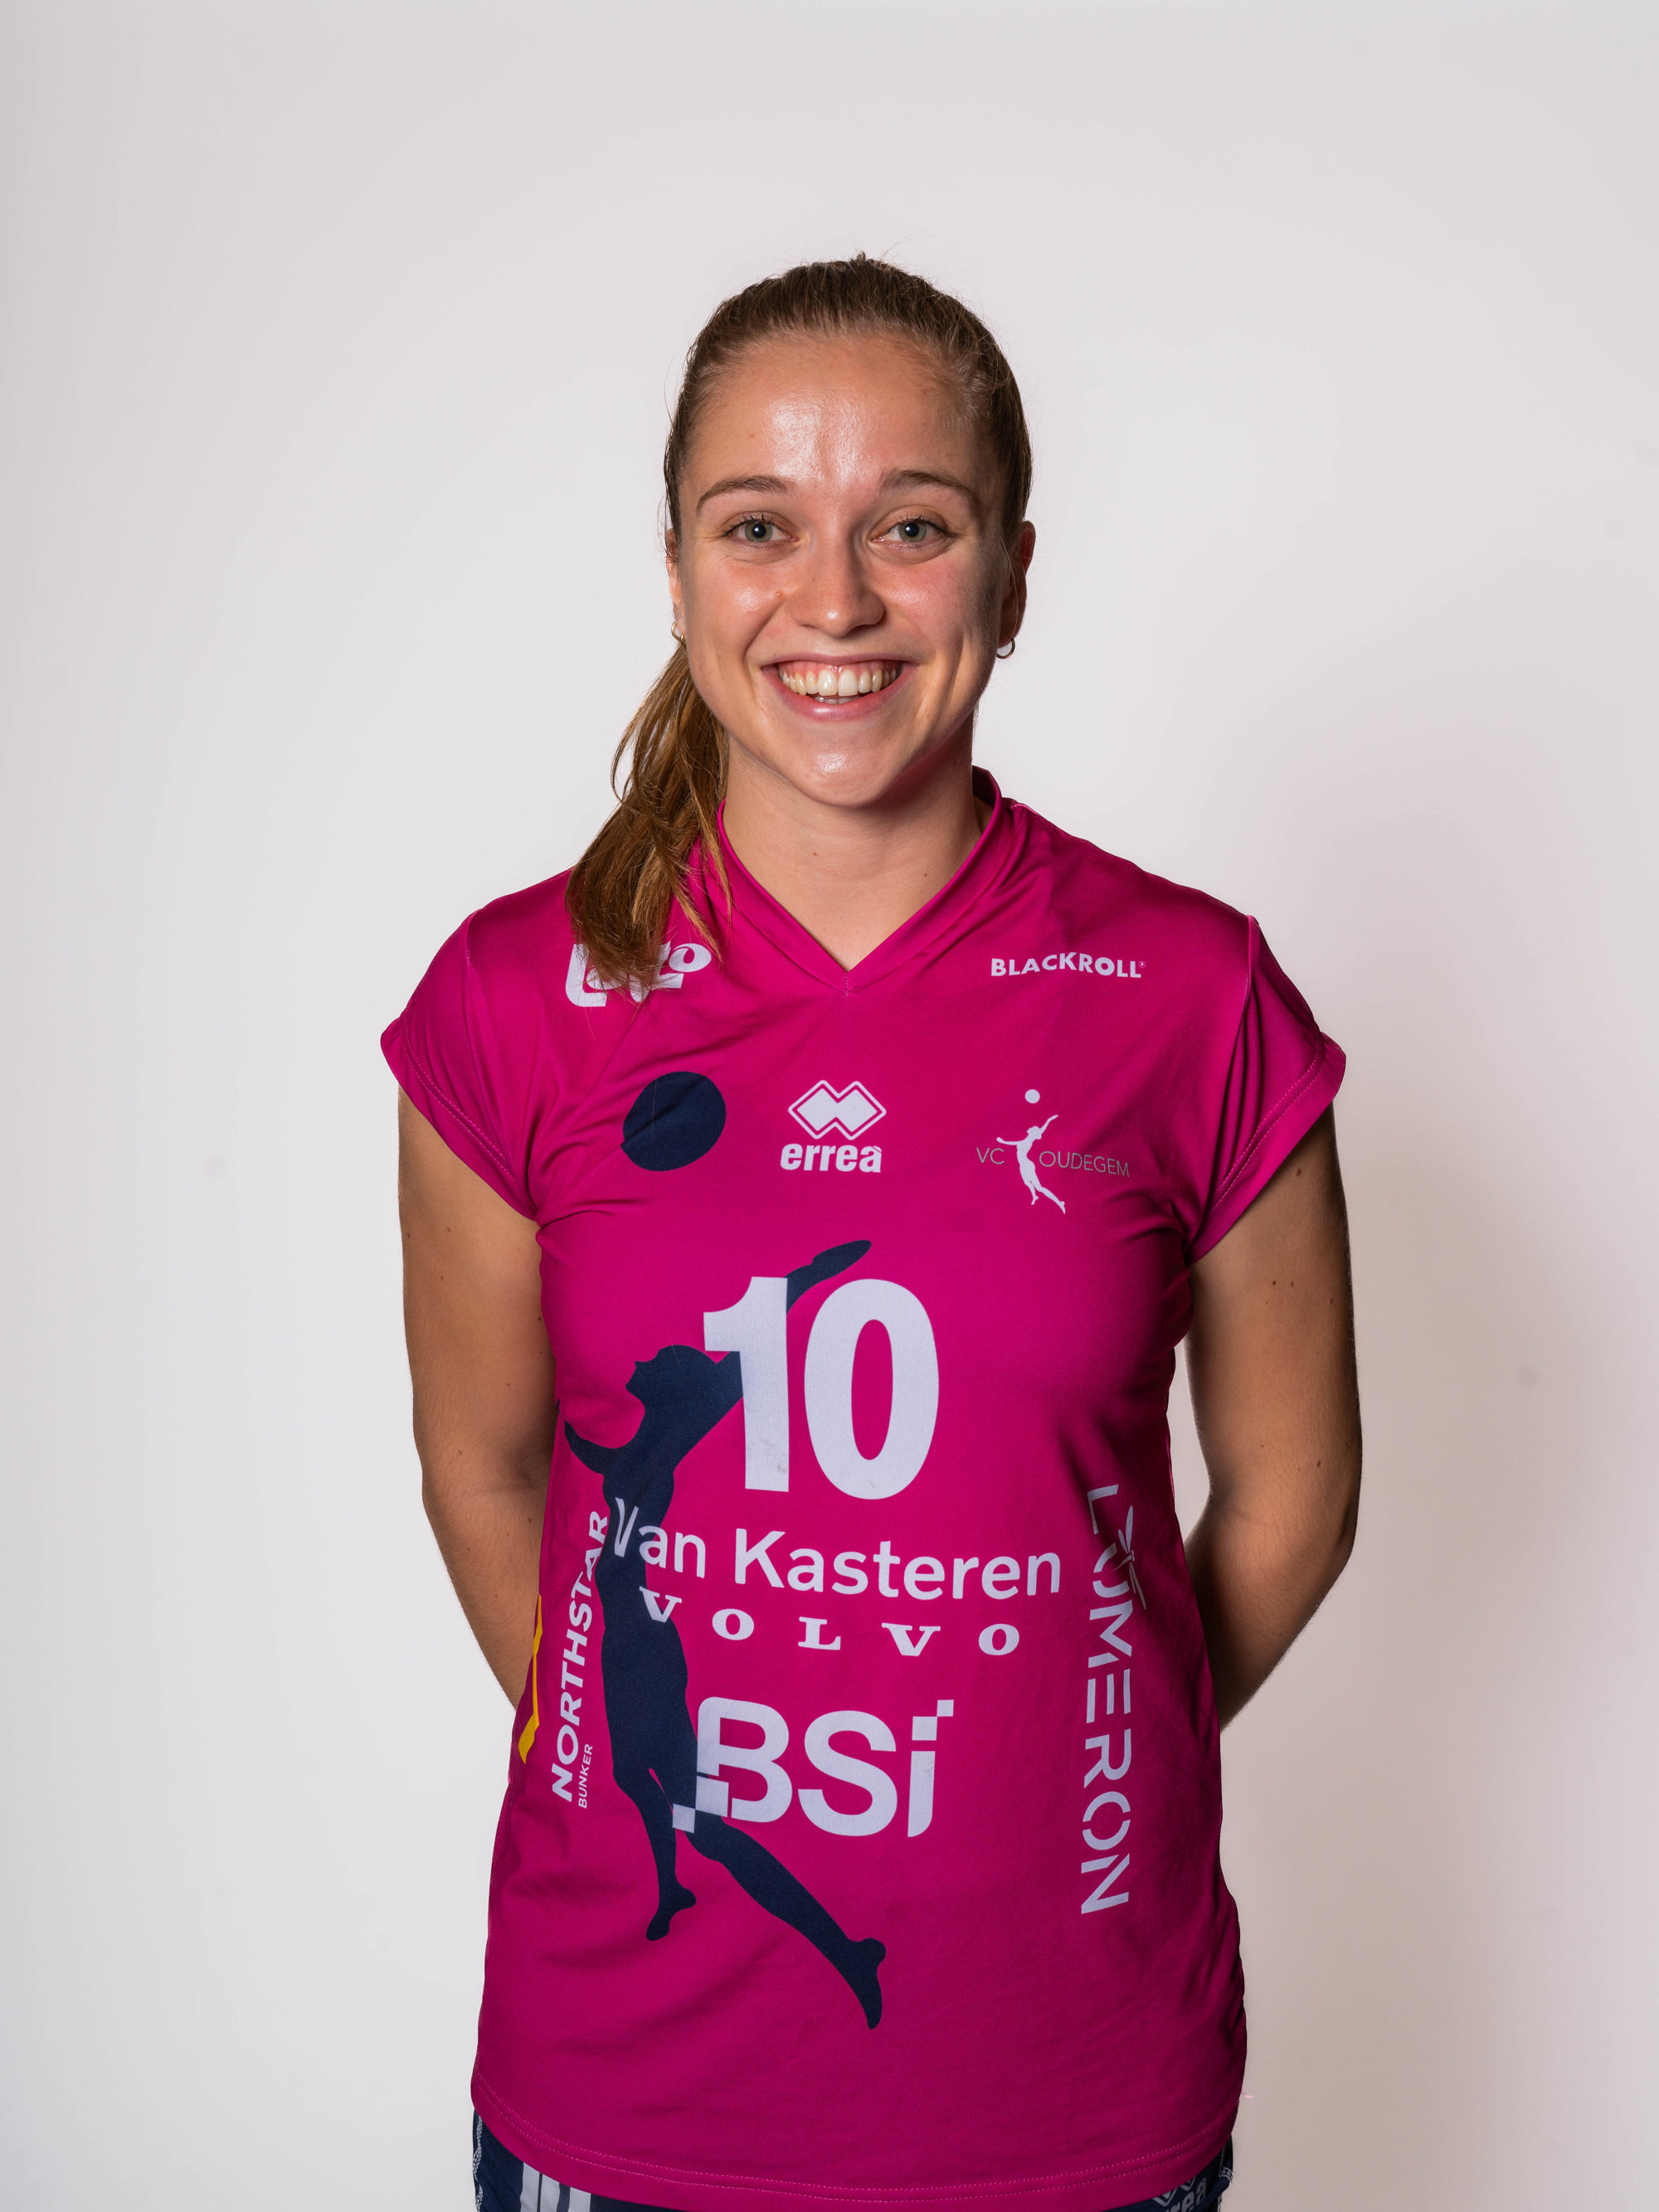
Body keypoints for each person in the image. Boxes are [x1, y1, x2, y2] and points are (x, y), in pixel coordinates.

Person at [387, 255, 1360, 2212]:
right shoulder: (514, 998)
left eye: (908, 527)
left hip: (1075, 2089)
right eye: (759, 526)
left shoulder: (1191, 993)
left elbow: (1290, 1497)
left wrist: (1066, 1743)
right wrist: (631, 1742)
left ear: (1011, 567)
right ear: (679, 568)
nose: (830, 601)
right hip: (632, 2087)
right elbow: (483, 1466)